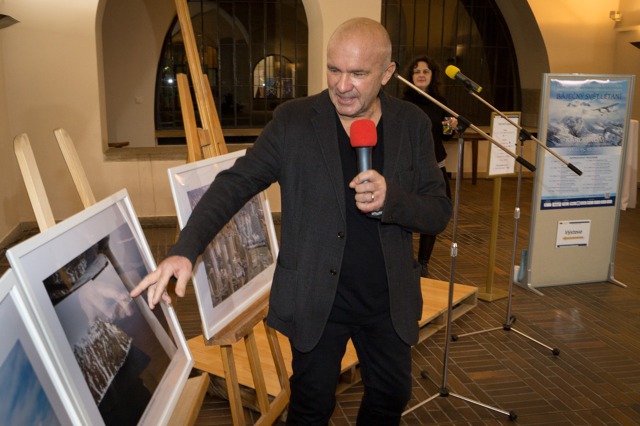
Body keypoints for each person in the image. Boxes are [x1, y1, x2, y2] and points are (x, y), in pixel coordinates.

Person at [131, 18, 451, 425]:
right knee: (310, 406)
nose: (342, 84)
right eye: (334, 69)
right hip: (318, 299)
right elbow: (236, 183)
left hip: (387, 300)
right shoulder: (295, 120)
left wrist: (393, 201)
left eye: (358, 73)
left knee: (391, 395)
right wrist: (185, 248)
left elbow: (438, 210)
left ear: (387, 73)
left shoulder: (412, 124)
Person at [402, 56, 457, 278]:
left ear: (432, 76)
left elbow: (446, 135)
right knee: (405, 213)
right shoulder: (403, 105)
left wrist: (451, 127)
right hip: (410, 168)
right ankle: (404, 259)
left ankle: (423, 263)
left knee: (435, 213)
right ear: (410, 77)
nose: (421, 75)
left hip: (436, 166)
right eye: (416, 71)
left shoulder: (440, 102)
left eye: (426, 71)